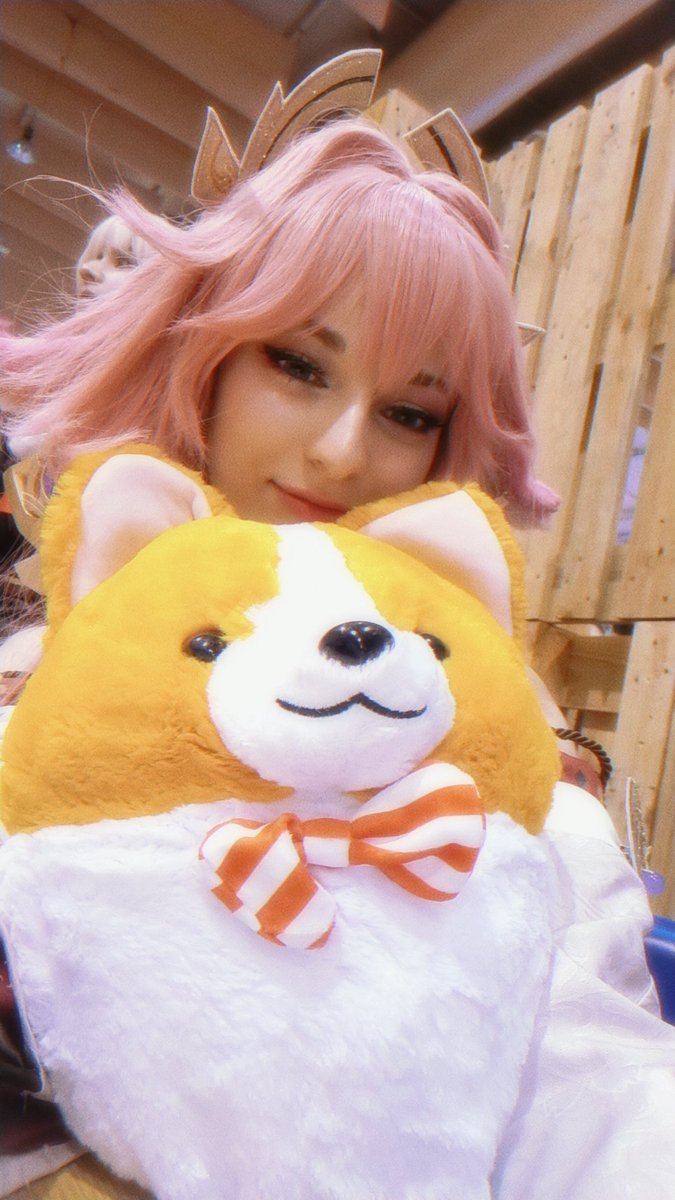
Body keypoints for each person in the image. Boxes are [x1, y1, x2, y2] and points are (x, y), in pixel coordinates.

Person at [0, 89, 673, 1200]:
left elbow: (586, 1067)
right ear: (202, 351)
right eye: (299, 365)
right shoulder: (47, 683)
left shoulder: (492, 752)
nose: (342, 451)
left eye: (411, 412)